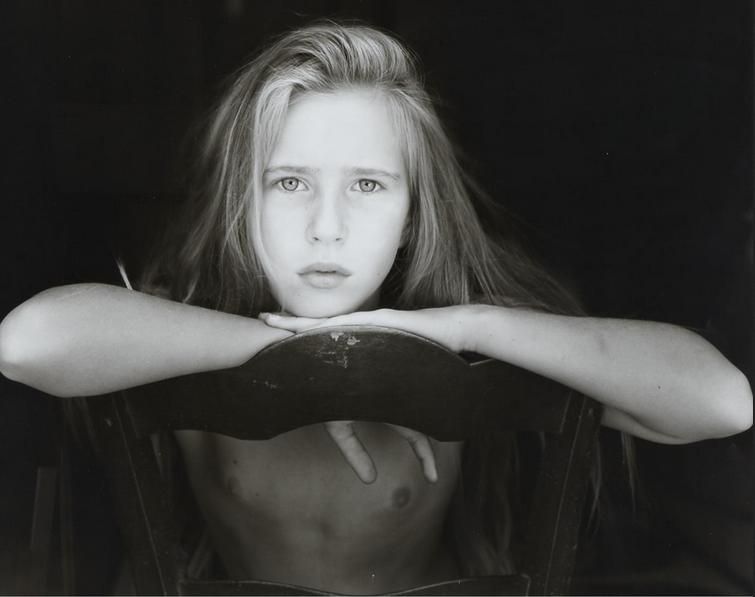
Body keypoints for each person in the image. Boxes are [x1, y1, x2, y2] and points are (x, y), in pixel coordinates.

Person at [0, 20, 751, 595]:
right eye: (288, 182)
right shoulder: (190, 324)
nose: (326, 226)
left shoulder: (467, 336)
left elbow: (723, 401)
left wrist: (464, 327)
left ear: (411, 217)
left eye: (367, 185)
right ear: (241, 202)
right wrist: (300, 355)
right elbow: (26, 342)